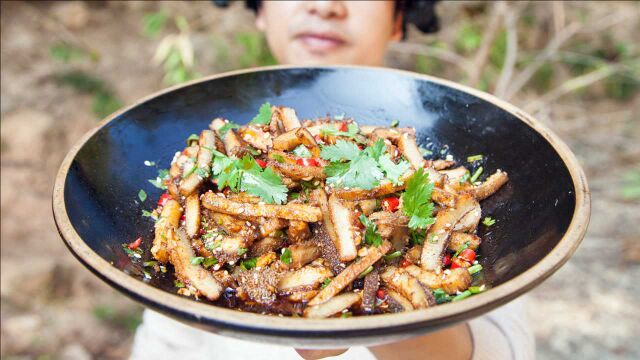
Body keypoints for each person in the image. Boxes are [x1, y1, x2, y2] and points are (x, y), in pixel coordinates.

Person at [131, 2, 534, 359]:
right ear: (259, 9)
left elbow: (507, 347)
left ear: (399, 17)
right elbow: (163, 346)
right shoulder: (199, 188)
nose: (325, 5)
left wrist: (392, 321)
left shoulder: (421, 171)